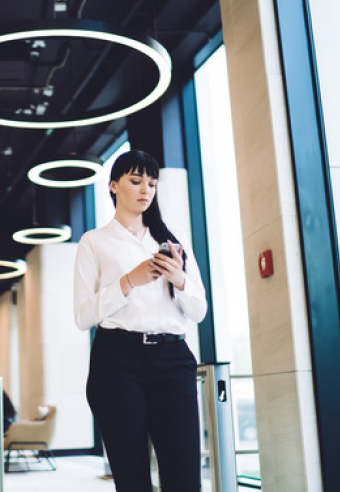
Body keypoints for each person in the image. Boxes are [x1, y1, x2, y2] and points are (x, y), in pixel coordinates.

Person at [73, 150, 208, 492]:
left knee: (184, 474)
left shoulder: (172, 236)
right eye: (135, 181)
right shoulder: (94, 241)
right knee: (132, 476)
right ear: (114, 186)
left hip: (172, 358)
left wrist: (179, 278)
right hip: (117, 360)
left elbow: (199, 311)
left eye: (151, 183)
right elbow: (82, 315)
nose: (145, 190)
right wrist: (128, 281)